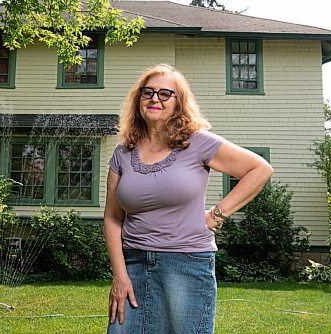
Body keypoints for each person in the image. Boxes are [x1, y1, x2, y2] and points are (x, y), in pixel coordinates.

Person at [103, 64, 274, 334]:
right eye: (147, 92)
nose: (155, 98)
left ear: (179, 102)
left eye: (165, 93)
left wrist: (217, 215)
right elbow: (113, 218)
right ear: (138, 100)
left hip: (186, 263)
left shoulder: (198, 142)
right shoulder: (123, 152)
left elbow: (260, 169)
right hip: (133, 264)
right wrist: (120, 274)